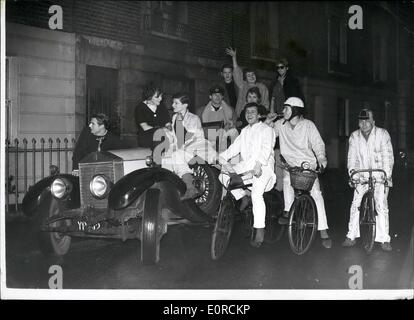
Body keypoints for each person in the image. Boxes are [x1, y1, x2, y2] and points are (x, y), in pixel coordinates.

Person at [267, 97, 332, 249]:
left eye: (286, 108)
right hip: (290, 165)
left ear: (295, 110)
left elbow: (318, 144)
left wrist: (322, 160)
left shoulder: (308, 125)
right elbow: (266, 134)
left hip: (307, 165)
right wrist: (268, 122)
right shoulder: (280, 124)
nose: (283, 111)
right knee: (287, 180)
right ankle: (288, 211)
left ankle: (323, 230)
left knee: (316, 193)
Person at [218, 102, 276, 247]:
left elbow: (266, 149)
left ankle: (259, 229)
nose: (249, 114)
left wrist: (258, 165)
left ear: (259, 115)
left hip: (263, 166)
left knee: (257, 193)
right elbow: (233, 149)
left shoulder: (266, 130)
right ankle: (243, 196)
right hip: (246, 166)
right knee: (223, 175)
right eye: (247, 112)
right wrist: (219, 158)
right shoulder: (244, 131)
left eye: (253, 112)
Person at [343, 109, 394, 251]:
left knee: (381, 206)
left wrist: (386, 175)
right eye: (361, 121)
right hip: (362, 176)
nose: (364, 124)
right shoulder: (354, 137)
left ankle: (384, 239)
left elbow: (387, 157)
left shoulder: (382, 135)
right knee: (355, 204)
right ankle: (351, 236)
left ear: (373, 122)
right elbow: (351, 158)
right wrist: (353, 174)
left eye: (367, 121)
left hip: (379, 177)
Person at [162, 93, 217, 200]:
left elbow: (188, 139)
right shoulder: (174, 117)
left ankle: (189, 187)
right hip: (184, 149)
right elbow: (175, 137)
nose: (173, 105)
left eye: (176, 103)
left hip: (197, 149)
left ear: (185, 105)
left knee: (176, 155)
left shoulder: (194, 118)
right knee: (166, 158)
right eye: (173, 103)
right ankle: (173, 192)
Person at [225, 47, 269, 119]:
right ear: (245, 78)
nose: (251, 77)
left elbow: (266, 104)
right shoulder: (243, 85)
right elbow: (237, 72)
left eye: (253, 74)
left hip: (257, 117)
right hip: (242, 116)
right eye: (248, 75)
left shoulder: (262, 87)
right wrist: (234, 57)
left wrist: (262, 115)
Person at [201, 84, 239, 153]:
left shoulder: (228, 109)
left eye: (219, 95)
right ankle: (219, 154)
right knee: (220, 132)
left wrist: (231, 124)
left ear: (222, 97)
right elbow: (204, 126)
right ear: (210, 97)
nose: (217, 97)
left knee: (234, 131)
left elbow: (233, 122)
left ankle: (233, 158)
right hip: (211, 134)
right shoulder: (205, 111)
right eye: (215, 95)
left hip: (224, 134)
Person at [135, 82, 171, 149]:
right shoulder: (140, 108)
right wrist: (161, 130)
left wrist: (168, 128)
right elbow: (145, 127)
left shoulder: (162, 107)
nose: (160, 98)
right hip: (147, 138)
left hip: (163, 136)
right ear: (149, 96)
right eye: (157, 97)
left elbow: (168, 124)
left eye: (161, 96)